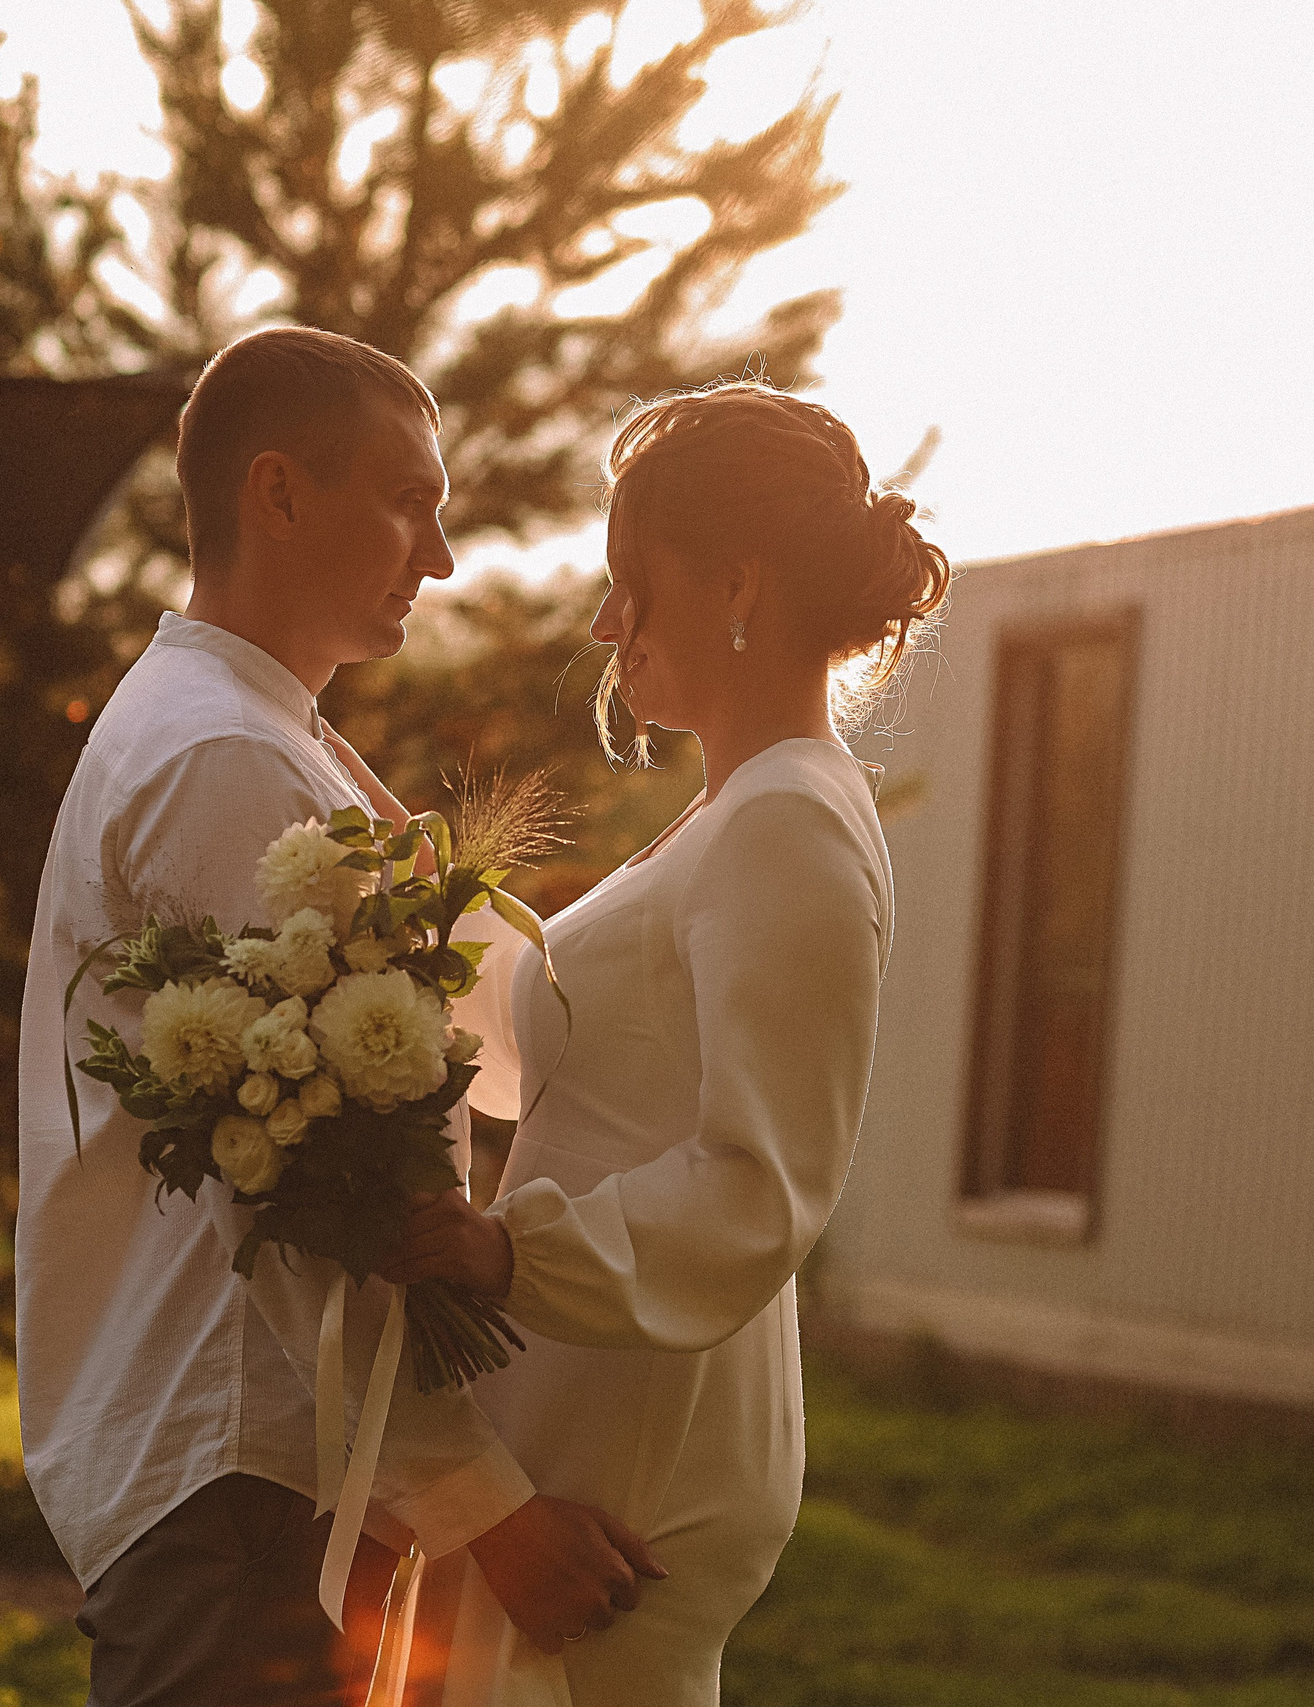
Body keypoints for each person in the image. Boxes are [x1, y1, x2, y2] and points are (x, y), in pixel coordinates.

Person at [15, 327, 660, 1706]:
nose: (436, 555)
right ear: (279, 492)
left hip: (259, 1479)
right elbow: (322, 1182)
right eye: (408, 500)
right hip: (241, 1478)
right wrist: (489, 1512)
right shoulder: (224, 757)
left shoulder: (260, 729)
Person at [387, 381, 952, 1704]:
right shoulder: (739, 809)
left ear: (738, 582)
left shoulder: (790, 825)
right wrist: (397, 923)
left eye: (630, 582)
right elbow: (605, 1057)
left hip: (636, 1439)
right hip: (583, 1394)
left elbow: (762, 1189)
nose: (604, 624)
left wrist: (504, 1249)